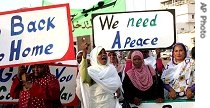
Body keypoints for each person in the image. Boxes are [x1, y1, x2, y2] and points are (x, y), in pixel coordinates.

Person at [79, 42, 122, 108]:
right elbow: (84, 78)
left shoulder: (111, 68)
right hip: (97, 105)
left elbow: (116, 84)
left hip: (111, 104)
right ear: (94, 57)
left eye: (104, 53)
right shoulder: (91, 71)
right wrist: (84, 54)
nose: (103, 54)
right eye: (100, 53)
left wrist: (117, 89)